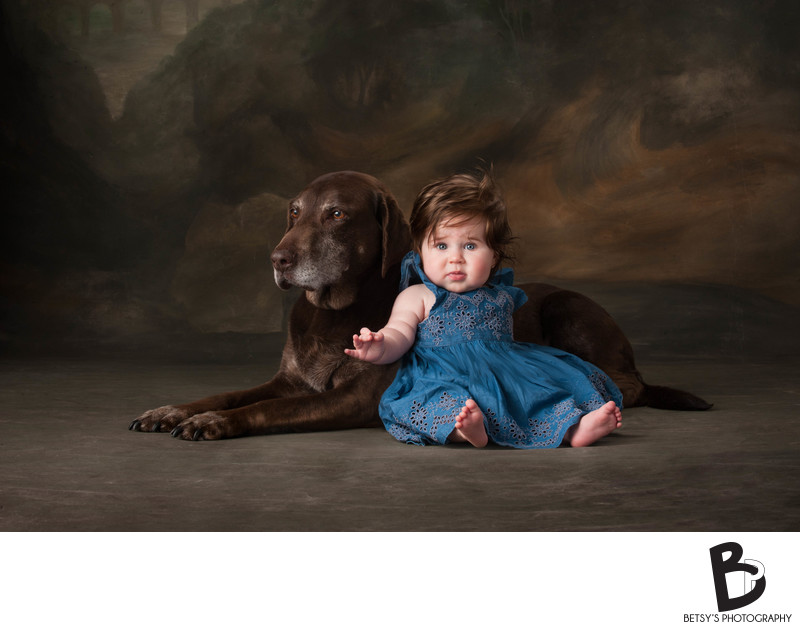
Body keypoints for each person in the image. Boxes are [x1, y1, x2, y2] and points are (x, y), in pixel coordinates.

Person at [345, 169, 623, 448]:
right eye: (441, 245)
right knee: (433, 404)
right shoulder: (417, 295)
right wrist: (380, 346)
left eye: (470, 245)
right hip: (441, 376)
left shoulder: (499, 294)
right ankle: (466, 430)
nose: (455, 258)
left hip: (502, 373)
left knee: (536, 395)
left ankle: (574, 430)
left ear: (494, 256)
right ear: (420, 250)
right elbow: (400, 334)